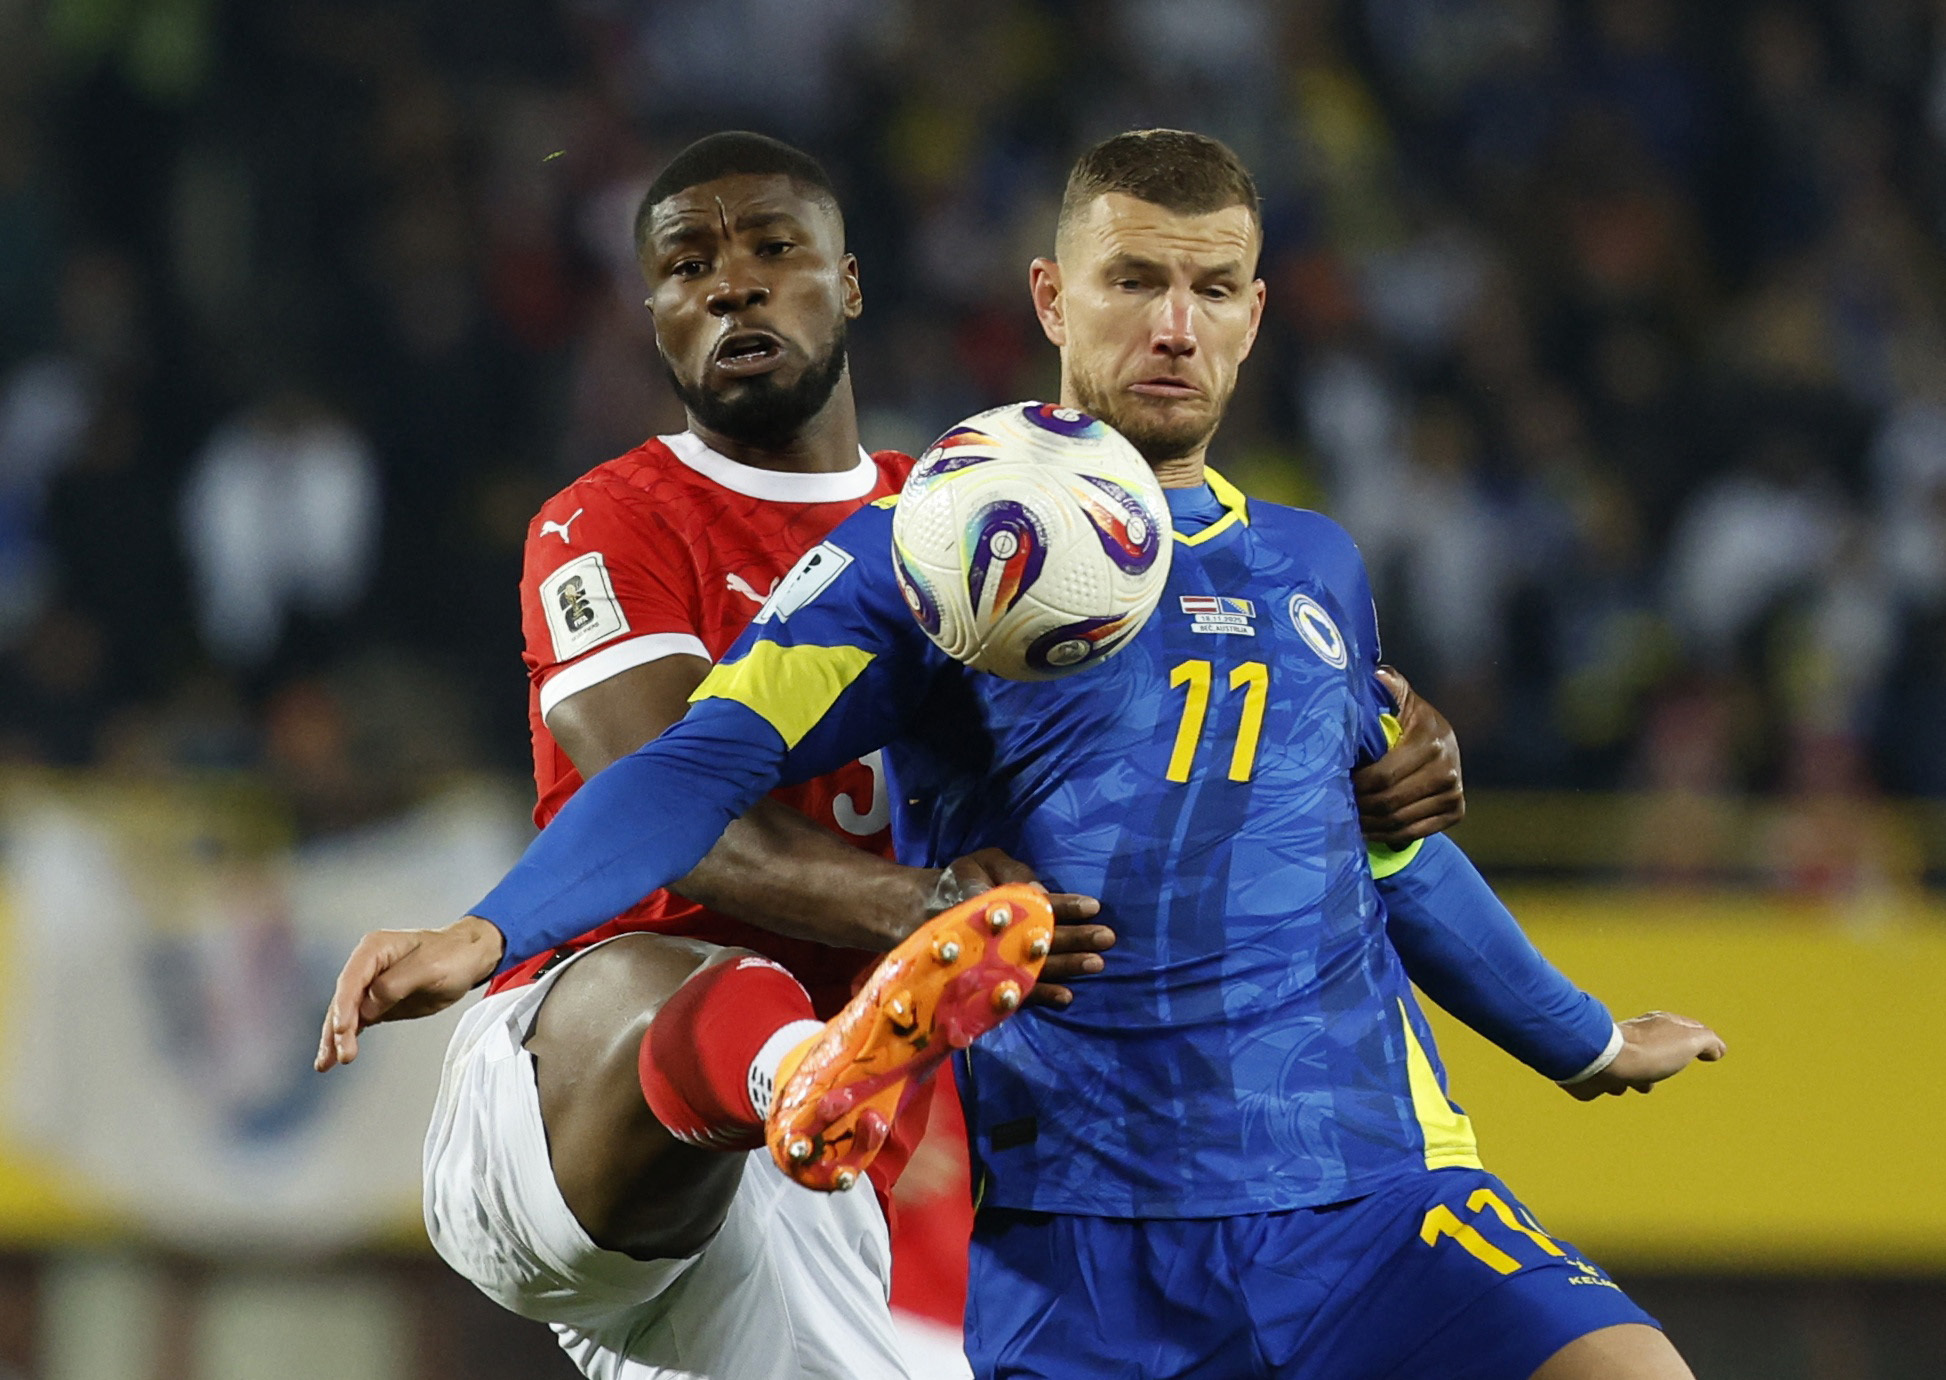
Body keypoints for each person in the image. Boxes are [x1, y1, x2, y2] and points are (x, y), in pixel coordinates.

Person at [354, 129, 1726, 1379]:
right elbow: (695, 767)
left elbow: (1386, 854)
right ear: (1050, 301)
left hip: (1368, 1199)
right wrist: (491, 932)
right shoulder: (927, 552)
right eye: (1132, 281)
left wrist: (1584, 1040)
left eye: (1212, 289)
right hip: (1081, 1246)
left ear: (1257, 315)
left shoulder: (1314, 564)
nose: (1173, 327)